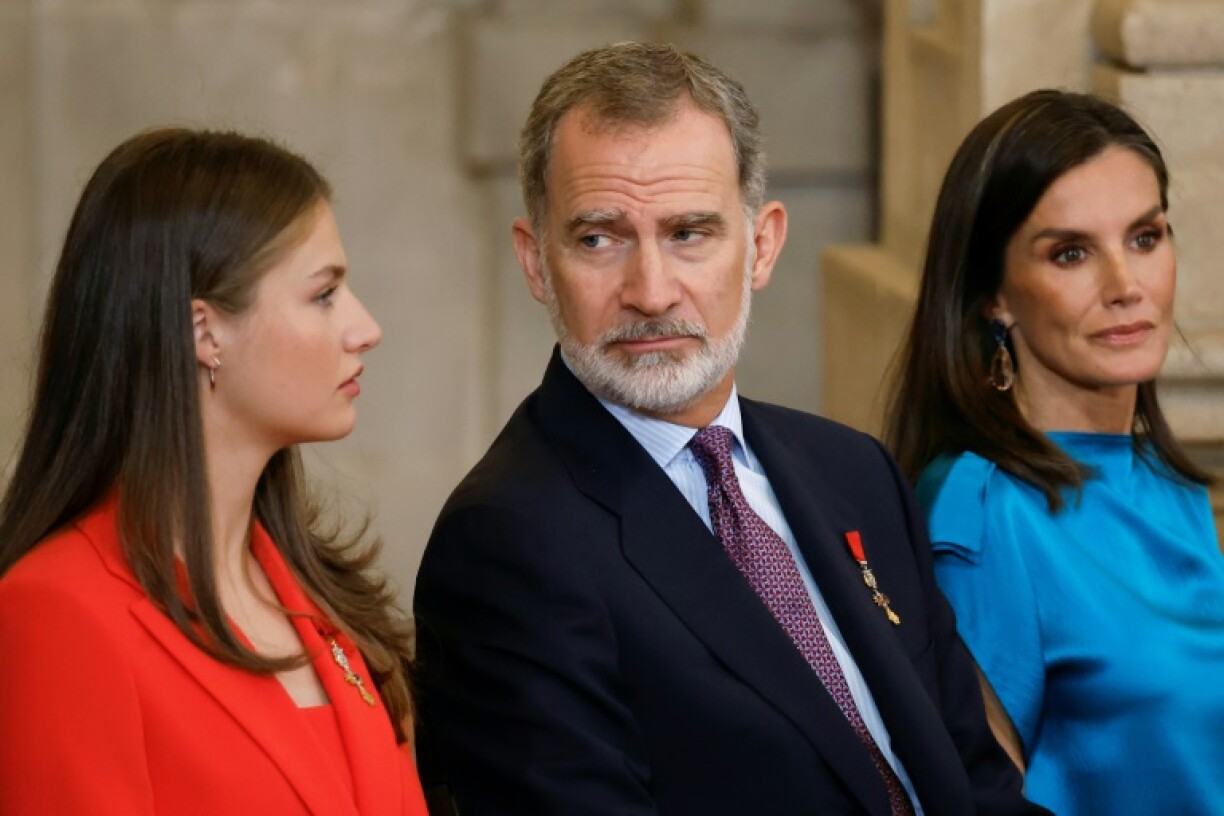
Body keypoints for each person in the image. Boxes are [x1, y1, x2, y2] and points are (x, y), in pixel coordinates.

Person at [412, 41, 1045, 816]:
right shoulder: (508, 543)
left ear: (763, 246)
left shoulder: (856, 474)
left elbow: (977, 789)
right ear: (536, 261)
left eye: (689, 233)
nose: (650, 291)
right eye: (599, 239)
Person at [0, 128, 428, 815]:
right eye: (323, 295)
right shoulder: (58, 613)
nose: (364, 327)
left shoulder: (328, 605)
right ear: (204, 333)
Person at [887, 89, 1224, 815]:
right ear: (994, 297)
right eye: (1071, 253)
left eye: (1145, 237)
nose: (1126, 286)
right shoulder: (980, 518)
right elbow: (971, 801)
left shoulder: (1171, 487)